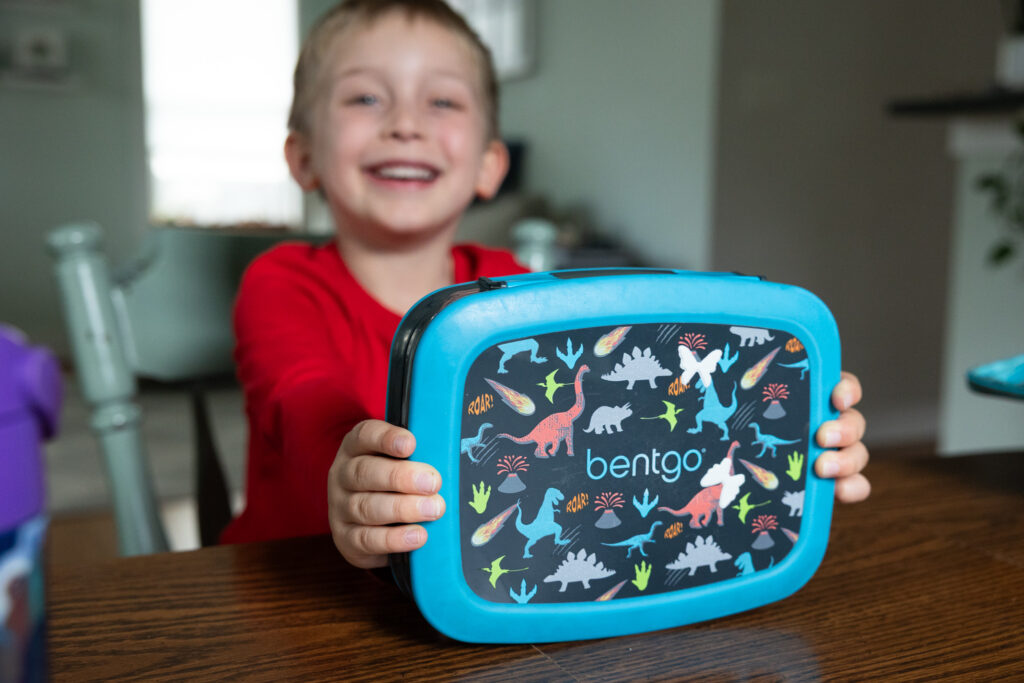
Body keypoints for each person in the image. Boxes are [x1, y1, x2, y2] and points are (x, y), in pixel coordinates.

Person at [222, 0, 871, 570]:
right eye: (366, 97)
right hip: (301, 588)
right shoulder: (279, 282)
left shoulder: (517, 291)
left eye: (441, 100)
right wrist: (350, 471)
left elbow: (607, 429)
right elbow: (302, 402)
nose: (406, 123)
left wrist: (792, 428)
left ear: (489, 165)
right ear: (302, 156)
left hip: (484, 591)